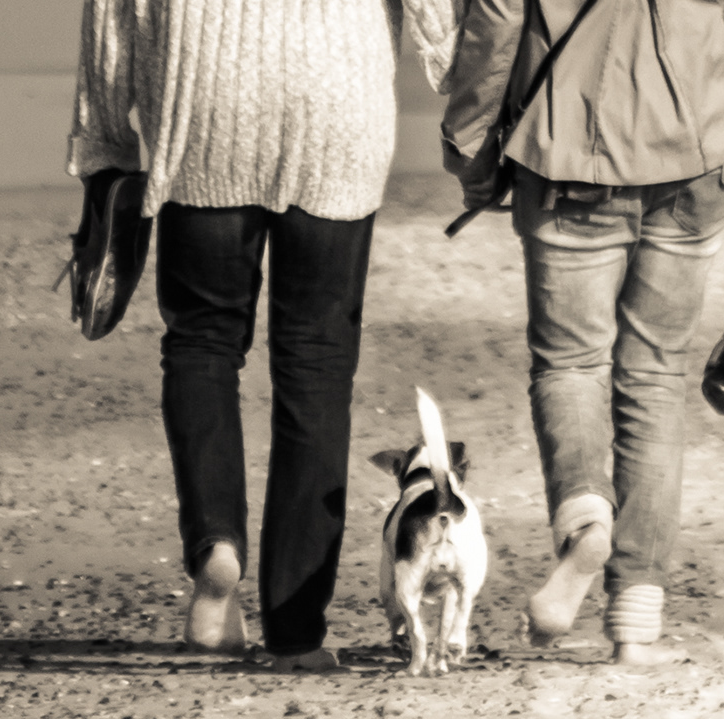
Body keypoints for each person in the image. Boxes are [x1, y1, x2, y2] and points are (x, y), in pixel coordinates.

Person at [68, 0, 457, 672]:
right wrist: (457, 68)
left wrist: (104, 139)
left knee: (202, 342)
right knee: (318, 363)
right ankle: (296, 632)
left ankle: (216, 546)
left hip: (205, 102)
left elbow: (113, 13)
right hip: (339, 100)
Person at [441, 0, 724, 665]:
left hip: (569, 149)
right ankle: (636, 621)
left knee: (570, 365)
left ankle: (587, 518)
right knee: (656, 377)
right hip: (699, 150)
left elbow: (496, 22)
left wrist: (472, 152)